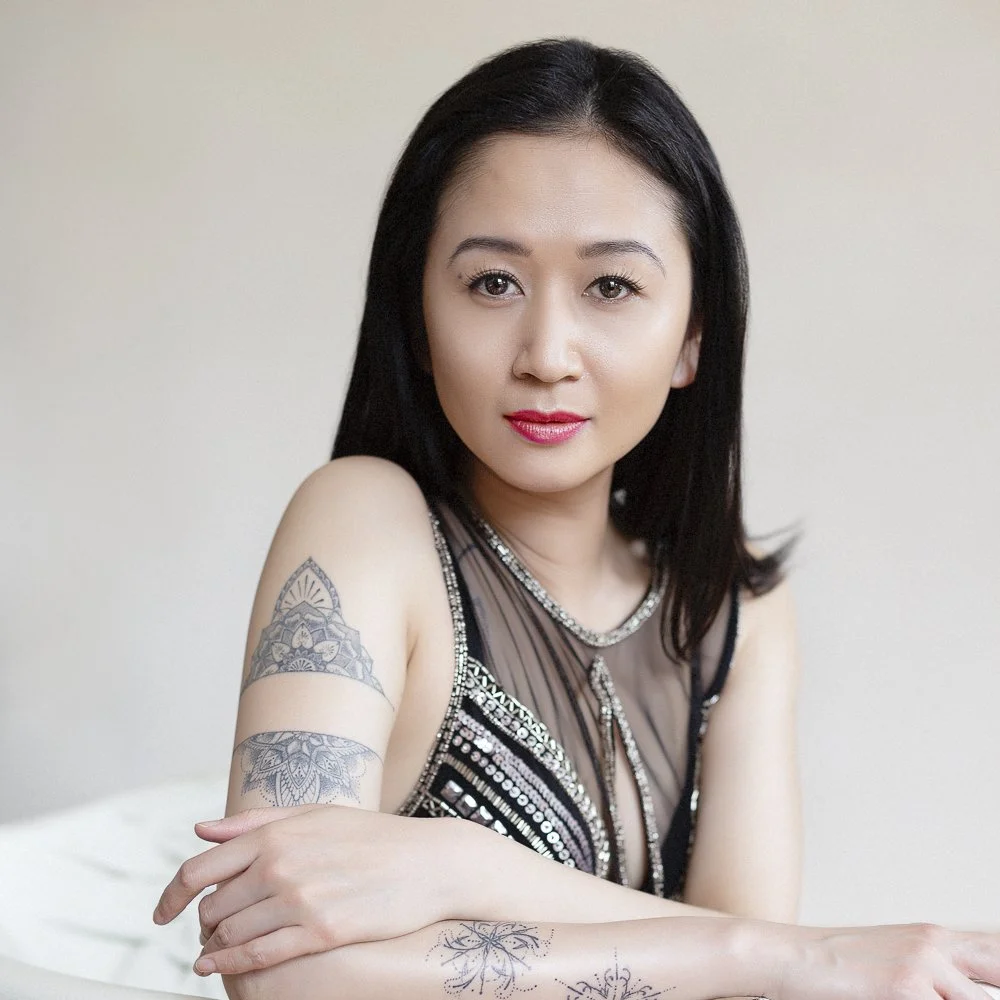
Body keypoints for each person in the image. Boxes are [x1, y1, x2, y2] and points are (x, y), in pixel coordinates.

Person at [153, 37, 1000, 1000]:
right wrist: (765, 950)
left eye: (611, 286)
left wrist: (469, 873)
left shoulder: (730, 604)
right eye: (492, 283)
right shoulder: (364, 520)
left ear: (691, 338)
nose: (547, 353)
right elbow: (286, 983)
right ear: (418, 319)